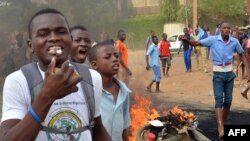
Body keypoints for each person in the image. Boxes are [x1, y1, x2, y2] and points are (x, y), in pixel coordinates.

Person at [0, 8, 111, 141]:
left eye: (61, 32)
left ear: (70, 39)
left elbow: (97, 129)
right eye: (43, 34)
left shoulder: (91, 78)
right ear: (30, 45)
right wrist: (47, 96)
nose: (54, 38)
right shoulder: (18, 81)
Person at [180, 21, 250, 139]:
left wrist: (248, 71)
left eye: (228, 28)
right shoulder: (213, 40)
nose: (226, 30)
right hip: (218, 74)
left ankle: (221, 122)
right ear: (220, 29)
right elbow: (196, 42)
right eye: (224, 28)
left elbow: (242, 55)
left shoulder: (234, 41)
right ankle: (220, 127)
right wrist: (187, 41)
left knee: (228, 101)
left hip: (229, 74)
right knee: (219, 100)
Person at [88, 40, 131, 141]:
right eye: (108, 57)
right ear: (94, 65)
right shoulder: (90, 92)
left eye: (116, 56)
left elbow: (124, 127)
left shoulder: (123, 90)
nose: (115, 59)